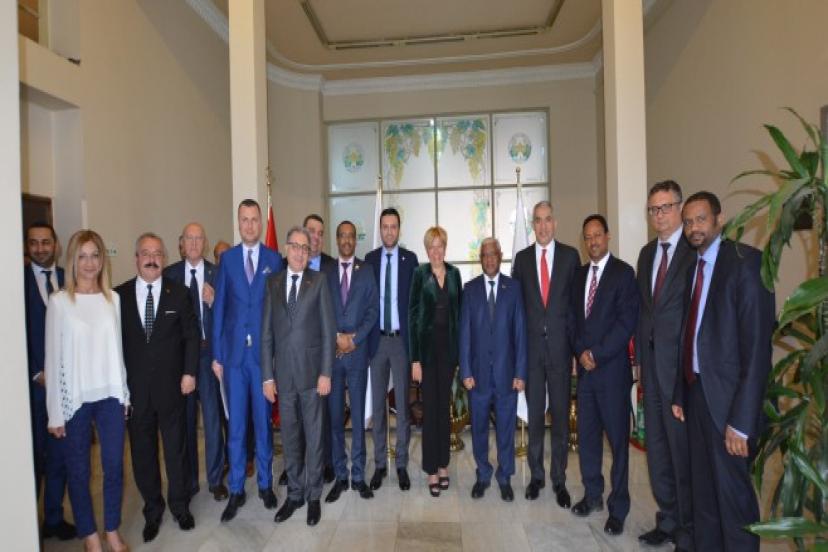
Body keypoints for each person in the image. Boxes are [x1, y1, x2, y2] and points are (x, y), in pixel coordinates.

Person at [672, 192, 774, 551]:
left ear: (720, 219)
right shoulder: (693, 270)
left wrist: (742, 422)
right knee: (704, 497)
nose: (693, 228)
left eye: (700, 219)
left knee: (733, 502)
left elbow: (758, 350)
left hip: (730, 406)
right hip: (697, 396)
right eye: (688, 222)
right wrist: (681, 393)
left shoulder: (746, 264)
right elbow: (690, 335)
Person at [45, 230, 129, 552]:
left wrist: (124, 394)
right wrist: (55, 412)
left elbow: (117, 351)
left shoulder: (113, 300)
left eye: (95, 255)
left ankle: (111, 530)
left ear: (102, 260)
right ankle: (90, 537)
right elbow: (53, 359)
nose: (89, 263)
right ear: (73, 260)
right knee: (79, 471)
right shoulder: (60, 302)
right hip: (76, 400)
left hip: (110, 396)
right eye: (82, 256)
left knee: (114, 466)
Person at [115, 233, 199, 542]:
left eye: (157, 254)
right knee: (143, 455)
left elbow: (191, 336)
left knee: (176, 451)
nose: (152, 259)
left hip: (172, 388)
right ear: (136, 258)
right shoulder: (118, 296)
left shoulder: (179, 293)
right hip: (135, 393)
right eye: (146, 253)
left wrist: (189, 373)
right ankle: (153, 510)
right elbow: (113, 345)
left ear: (164, 258)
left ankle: (180, 506)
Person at [213, 199, 284, 522]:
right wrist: (218, 355)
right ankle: (237, 488)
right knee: (237, 427)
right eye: (245, 219)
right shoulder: (227, 260)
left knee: (263, 424)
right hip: (234, 359)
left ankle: (266, 485)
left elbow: (279, 310)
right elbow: (219, 309)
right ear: (238, 222)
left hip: (262, 359)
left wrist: (277, 356)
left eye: (255, 219)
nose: (251, 225)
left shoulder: (273, 259)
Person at [261, 226, 336, 526]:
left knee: (315, 438)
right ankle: (294, 495)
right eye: (295, 246)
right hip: (284, 378)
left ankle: (314, 495)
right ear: (286, 249)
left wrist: (326, 373)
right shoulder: (273, 283)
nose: (300, 252)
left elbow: (329, 332)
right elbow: (267, 334)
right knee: (290, 437)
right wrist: (268, 377)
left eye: (305, 248)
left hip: (313, 377)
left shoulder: (319, 282)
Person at [569, 214, 639, 536]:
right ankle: (592, 495)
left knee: (618, 445)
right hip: (586, 376)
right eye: (588, 237)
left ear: (607, 236)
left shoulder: (624, 274)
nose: (593, 241)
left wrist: (596, 354)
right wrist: (580, 352)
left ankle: (618, 508)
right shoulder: (579, 275)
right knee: (587, 440)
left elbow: (626, 324)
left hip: (611, 374)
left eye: (597, 235)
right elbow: (572, 320)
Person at [635, 181, 696, 551]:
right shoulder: (646, 255)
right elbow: (645, 314)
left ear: (680, 207)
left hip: (680, 375)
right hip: (652, 372)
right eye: (653, 209)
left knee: (681, 454)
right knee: (656, 450)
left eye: (666, 207)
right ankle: (668, 520)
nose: (659, 215)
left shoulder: (693, 252)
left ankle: (688, 530)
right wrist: (640, 364)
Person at [511, 200, 580, 505]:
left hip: (561, 352)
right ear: (533, 225)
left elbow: (576, 309)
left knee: (561, 419)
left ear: (555, 223)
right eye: (537, 220)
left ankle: (559, 479)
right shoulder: (522, 259)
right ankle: (537, 476)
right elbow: (517, 311)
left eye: (547, 219)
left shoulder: (570, 257)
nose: (542, 226)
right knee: (536, 418)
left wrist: (576, 351)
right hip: (532, 354)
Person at [163, 223, 228, 502]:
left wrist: (214, 302)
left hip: (209, 356)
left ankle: (215, 479)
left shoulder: (218, 273)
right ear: (181, 243)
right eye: (188, 238)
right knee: (186, 422)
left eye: (198, 238)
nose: (193, 243)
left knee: (212, 421)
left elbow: (230, 313)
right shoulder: (170, 275)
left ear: (205, 243)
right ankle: (189, 481)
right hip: (181, 360)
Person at [460, 238, 527, 502]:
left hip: (507, 375)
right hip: (477, 377)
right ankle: (483, 474)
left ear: (500, 256)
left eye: (493, 254)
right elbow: (465, 334)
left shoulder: (514, 288)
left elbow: (520, 333)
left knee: (505, 430)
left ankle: (505, 476)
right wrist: (466, 370)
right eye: (485, 255)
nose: (489, 259)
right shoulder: (470, 289)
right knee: (478, 429)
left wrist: (520, 373)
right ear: (481, 258)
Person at [23, 222, 75, 541]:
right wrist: (36, 371)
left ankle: (53, 518)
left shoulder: (70, 280)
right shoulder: (16, 282)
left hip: (66, 387)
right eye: (34, 242)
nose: (40, 248)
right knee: (32, 458)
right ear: (27, 246)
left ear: (56, 245)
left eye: (46, 242)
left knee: (60, 456)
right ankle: (27, 525)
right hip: (32, 389)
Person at [323, 221, 378, 503]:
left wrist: (354, 339)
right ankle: (341, 476)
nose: (346, 240)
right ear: (337, 239)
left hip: (357, 353)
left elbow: (373, 311)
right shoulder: (326, 271)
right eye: (342, 236)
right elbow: (321, 310)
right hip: (333, 357)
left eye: (350, 236)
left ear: (356, 240)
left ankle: (358, 476)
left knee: (357, 418)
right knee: (335, 419)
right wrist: (336, 337)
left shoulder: (366, 271)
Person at [365, 207, 419, 491]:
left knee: (402, 408)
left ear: (399, 229)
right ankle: (379, 465)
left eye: (393, 226)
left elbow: (415, 306)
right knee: (377, 407)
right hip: (376, 342)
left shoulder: (411, 260)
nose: (389, 231)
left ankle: (401, 465)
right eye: (384, 227)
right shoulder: (370, 260)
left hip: (400, 342)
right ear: (380, 229)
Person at [409, 226, 462, 497]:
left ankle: (443, 465)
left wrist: (460, 356)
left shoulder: (454, 274)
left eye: (440, 246)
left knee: (444, 410)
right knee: (430, 412)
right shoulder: (419, 274)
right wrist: (415, 359)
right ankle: (431, 468)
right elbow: (412, 317)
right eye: (432, 246)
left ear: (445, 247)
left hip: (448, 354)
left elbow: (459, 315)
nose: (436, 251)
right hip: (427, 356)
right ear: (426, 249)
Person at [303, 213, 336, 484]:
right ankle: (298, 463)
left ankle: (325, 463)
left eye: (320, 233)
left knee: (323, 412)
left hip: (322, 350)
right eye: (312, 231)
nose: (316, 236)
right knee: (297, 411)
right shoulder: (287, 264)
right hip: (295, 352)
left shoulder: (331, 266)